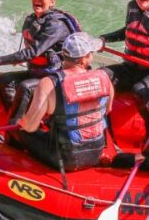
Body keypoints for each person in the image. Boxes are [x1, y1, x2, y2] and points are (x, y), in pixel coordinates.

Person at [0, 0, 80, 124]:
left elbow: (33, 52)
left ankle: (16, 131)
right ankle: (20, 118)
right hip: (37, 73)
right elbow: (29, 49)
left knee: (25, 87)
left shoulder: (56, 24)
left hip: (55, 78)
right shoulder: (31, 20)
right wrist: (17, 59)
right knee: (5, 80)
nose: (37, 0)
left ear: (52, 1)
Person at [16, 32, 114, 172]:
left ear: (63, 54)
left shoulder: (49, 83)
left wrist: (21, 122)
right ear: (86, 57)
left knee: (21, 130)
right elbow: (108, 109)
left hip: (66, 158)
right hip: (96, 152)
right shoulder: (104, 78)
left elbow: (30, 127)